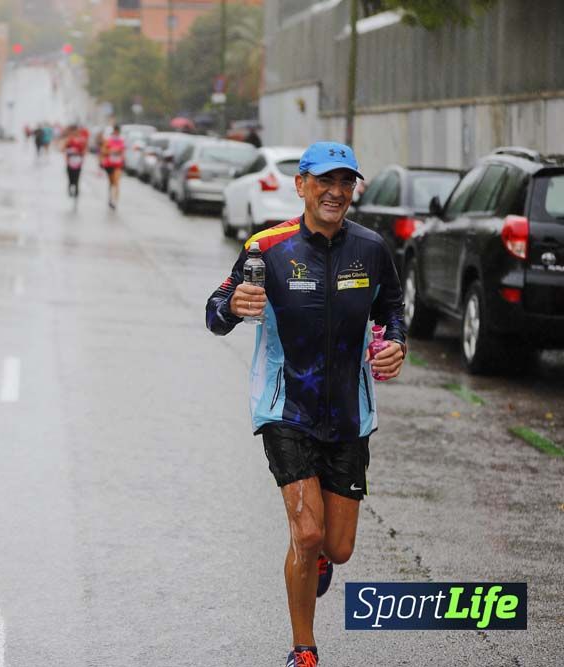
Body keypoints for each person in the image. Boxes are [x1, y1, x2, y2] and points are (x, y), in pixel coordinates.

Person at [205, 141, 407, 667]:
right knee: (308, 530)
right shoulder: (267, 248)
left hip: (348, 414)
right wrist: (232, 303)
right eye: (325, 182)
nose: (336, 192)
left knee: (337, 548)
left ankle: (318, 561)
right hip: (285, 408)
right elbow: (216, 313)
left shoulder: (371, 248)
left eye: (346, 183)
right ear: (302, 186)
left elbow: (392, 309)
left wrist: (395, 345)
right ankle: (304, 648)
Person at [100, 125, 125, 209]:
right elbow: (103, 151)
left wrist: (119, 152)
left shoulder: (121, 141)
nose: (116, 133)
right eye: (115, 131)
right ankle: (110, 198)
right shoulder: (108, 140)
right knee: (111, 183)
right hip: (109, 164)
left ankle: (115, 201)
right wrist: (111, 151)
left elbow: (122, 151)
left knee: (116, 182)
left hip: (118, 164)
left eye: (118, 132)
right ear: (113, 131)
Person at [63, 125, 87, 197]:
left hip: (78, 161)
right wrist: (69, 152)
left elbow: (84, 150)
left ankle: (76, 189)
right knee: (70, 176)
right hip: (70, 161)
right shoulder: (69, 140)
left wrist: (80, 153)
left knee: (77, 176)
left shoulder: (82, 140)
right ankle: (70, 187)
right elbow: (63, 149)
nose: (75, 133)